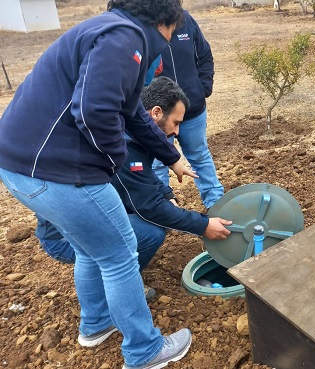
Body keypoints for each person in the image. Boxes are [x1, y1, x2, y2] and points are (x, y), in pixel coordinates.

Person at [0, 0, 196, 369]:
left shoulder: (105, 30)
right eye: (171, 34)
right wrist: (112, 162)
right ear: (160, 24)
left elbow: (131, 114)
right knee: (120, 252)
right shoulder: (124, 40)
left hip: (20, 167)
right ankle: (143, 351)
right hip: (55, 172)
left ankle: (95, 325)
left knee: (94, 248)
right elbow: (93, 112)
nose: (167, 44)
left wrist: (170, 156)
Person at [35, 77, 232, 293]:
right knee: (151, 232)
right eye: (176, 123)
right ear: (156, 113)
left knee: (153, 220)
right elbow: (149, 208)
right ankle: (118, 288)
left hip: (76, 221)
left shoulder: (131, 131)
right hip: (63, 239)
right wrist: (203, 225)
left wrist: (166, 194)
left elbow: (143, 178)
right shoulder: (124, 147)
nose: (177, 132)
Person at [134, 0, 225, 210]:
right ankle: (164, 208)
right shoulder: (137, 31)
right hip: (156, 115)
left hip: (192, 110)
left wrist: (203, 87)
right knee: (156, 163)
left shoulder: (187, 22)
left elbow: (204, 55)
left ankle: (217, 204)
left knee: (199, 156)